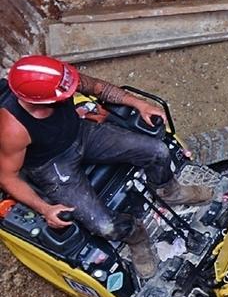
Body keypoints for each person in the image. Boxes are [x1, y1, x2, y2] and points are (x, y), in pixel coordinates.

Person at [0, 55, 211, 277]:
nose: (72, 91)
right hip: (51, 164)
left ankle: (170, 191)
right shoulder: (13, 129)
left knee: (157, 151)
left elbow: (99, 88)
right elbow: (8, 177)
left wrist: (140, 104)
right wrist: (46, 209)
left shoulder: (61, 80)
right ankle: (136, 235)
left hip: (81, 134)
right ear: (39, 100)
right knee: (104, 226)